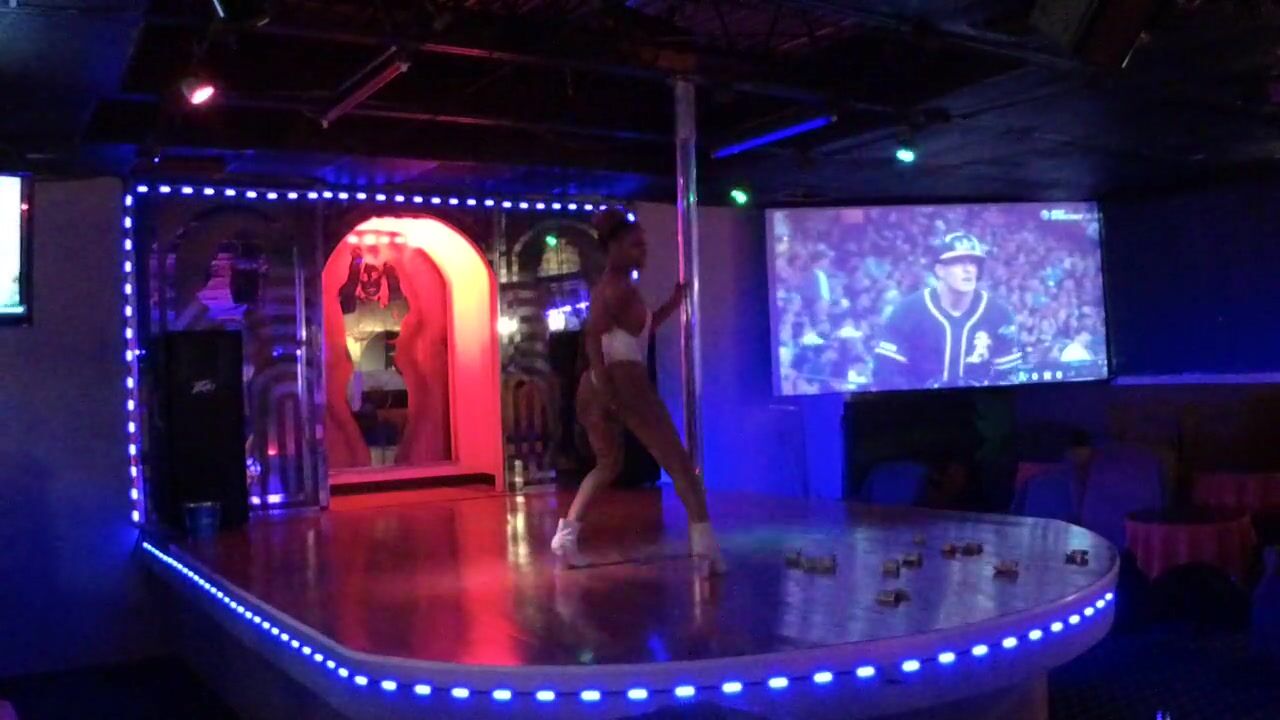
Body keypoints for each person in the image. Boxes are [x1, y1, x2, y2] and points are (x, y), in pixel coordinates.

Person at [551, 209, 727, 575]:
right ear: (613, 247)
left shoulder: (619, 288)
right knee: (677, 462)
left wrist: (671, 305)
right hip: (621, 378)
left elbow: (637, 332)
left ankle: (566, 536)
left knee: (609, 464)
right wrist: (607, 387)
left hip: (605, 381)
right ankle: (706, 548)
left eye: (643, 246)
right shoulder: (613, 288)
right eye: (635, 246)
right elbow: (593, 337)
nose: (642, 252)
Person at [872, 232, 1021, 390]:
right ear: (940, 270)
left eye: (973, 263)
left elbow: (1008, 375)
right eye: (958, 262)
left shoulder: (999, 314)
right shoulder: (908, 311)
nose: (968, 269)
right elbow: (886, 373)